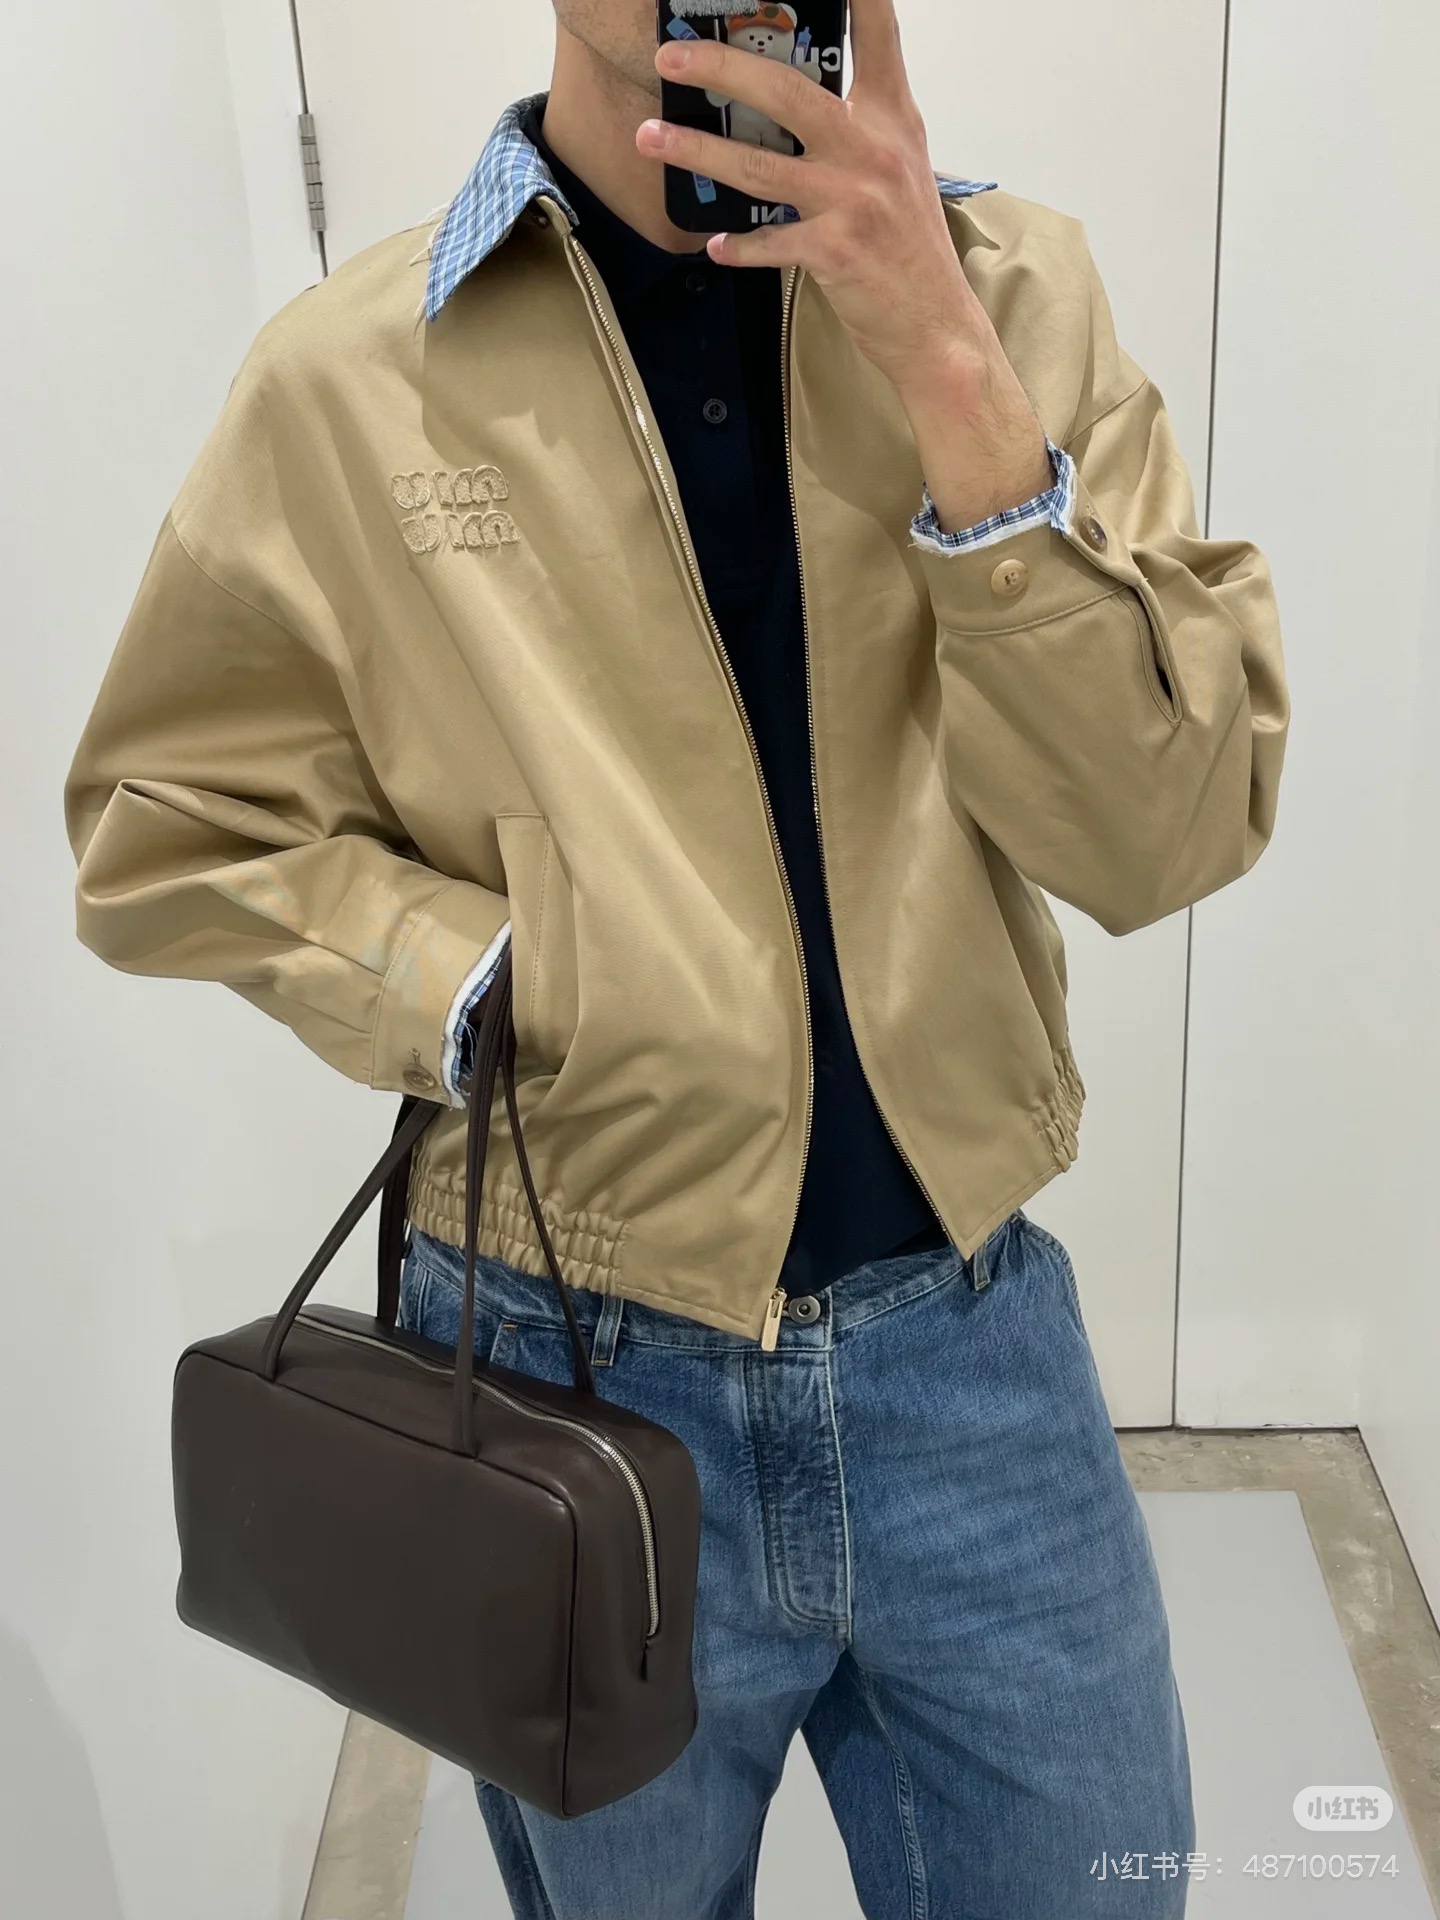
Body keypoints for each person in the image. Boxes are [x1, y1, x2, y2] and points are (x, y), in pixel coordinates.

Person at [63, 0, 1290, 1912]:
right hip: (561, 1371)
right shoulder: (353, 378)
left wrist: (943, 358)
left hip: (969, 1348)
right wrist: (487, 978)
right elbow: (165, 821)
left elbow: (1169, 831)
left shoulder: (1013, 294)